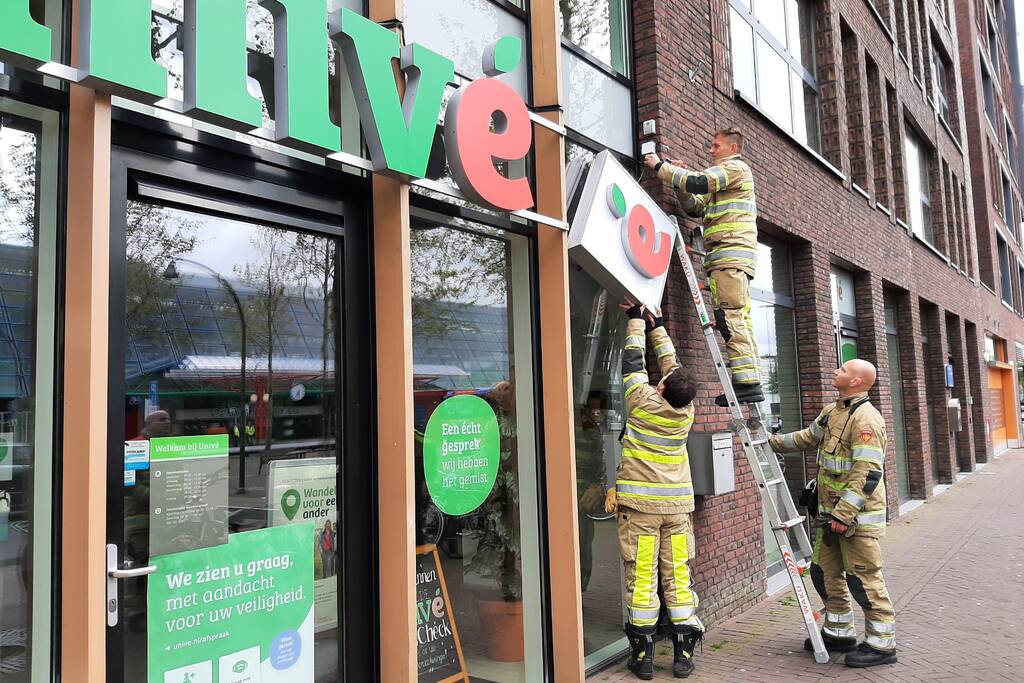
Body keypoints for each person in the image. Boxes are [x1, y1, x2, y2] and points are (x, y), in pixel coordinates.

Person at [768, 359, 897, 668]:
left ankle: (881, 645)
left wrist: (843, 515)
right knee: (823, 574)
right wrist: (770, 443)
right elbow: (806, 438)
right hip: (830, 518)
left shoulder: (866, 420)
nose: (835, 371)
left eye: (842, 369)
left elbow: (866, 474)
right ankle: (838, 632)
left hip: (855, 522)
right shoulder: (833, 411)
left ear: (855, 382)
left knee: (863, 581)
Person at [605, 301, 703, 680]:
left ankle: (643, 658)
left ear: (660, 388)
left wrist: (636, 321)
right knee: (678, 576)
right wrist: (658, 325)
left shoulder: (641, 402)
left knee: (642, 578)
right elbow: (674, 371)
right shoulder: (687, 411)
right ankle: (683, 657)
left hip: (642, 512)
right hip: (676, 510)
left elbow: (632, 363)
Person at [643, 128, 763, 406]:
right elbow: (696, 208)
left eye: (716, 146)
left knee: (730, 317)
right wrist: (678, 182)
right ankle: (748, 380)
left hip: (730, 255)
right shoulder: (725, 180)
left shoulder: (735, 168)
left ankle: (747, 383)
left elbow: (698, 182)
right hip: (727, 257)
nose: (712, 150)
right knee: (735, 316)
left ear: (733, 148)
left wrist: (660, 167)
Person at [576, 392, 607, 592]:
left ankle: (579, 589)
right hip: (574, 494)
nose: (596, 414)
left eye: (600, 411)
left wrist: (598, 486)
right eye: (593, 410)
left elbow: (600, 466)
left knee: (584, 544)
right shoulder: (580, 430)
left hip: (585, 497)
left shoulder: (595, 432)